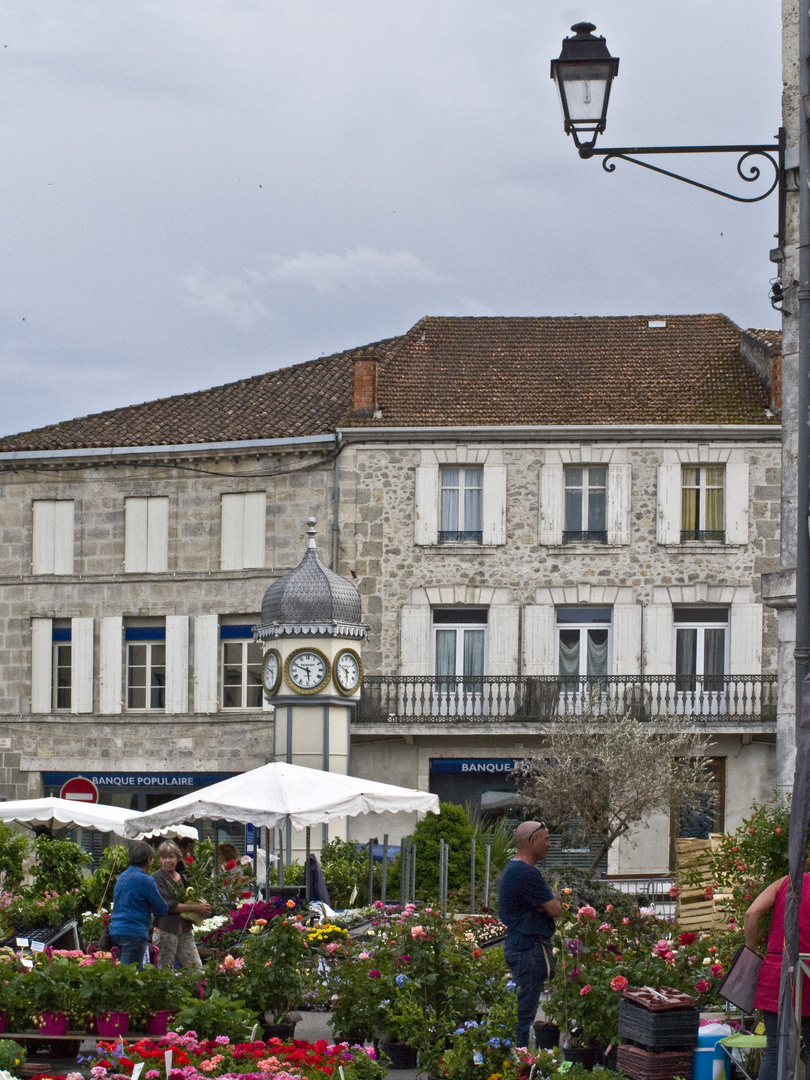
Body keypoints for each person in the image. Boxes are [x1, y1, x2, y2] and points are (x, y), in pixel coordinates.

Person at [498, 821, 562, 1048]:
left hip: (524, 946)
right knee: (523, 1011)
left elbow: (552, 903)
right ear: (531, 842)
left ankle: (517, 1056)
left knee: (524, 1007)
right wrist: (550, 902)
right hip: (527, 949)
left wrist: (548, 900)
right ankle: (518, 1060)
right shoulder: (524, 873)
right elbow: (555, 909)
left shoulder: (520, 871)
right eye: (546, 839)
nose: (550, 844)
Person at [744, 866, 810, 1080]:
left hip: (777, 969)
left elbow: (751, 913)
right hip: (807, 970)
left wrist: (751, 949)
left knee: (774, 1050)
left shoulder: (785, 882)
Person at [151, 840, 212, 970]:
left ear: (178, 858)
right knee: (165, 971)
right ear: (159, 860)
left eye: (171, 857)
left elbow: (190, 897)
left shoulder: (183, 878)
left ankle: (198, 989)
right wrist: (196, 908)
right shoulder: (157, 877)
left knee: (196, 968)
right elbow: (168, 905)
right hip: (165, 930)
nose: (168, 860)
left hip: (184, 930)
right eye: (164, 857)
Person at [109, 841, 169, 967]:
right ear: (149, 860)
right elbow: (162, 909)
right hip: (133, 931)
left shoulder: (122, 876)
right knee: (130, 974)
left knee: (124, 971)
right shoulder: (146, 880)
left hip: (115, 930)